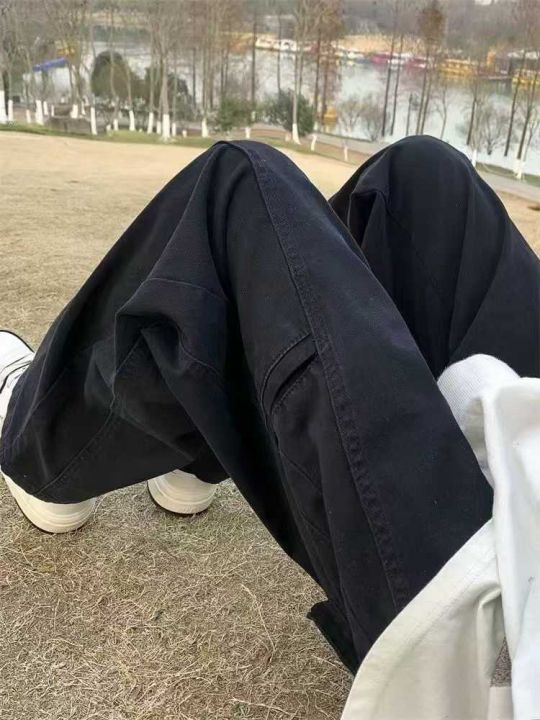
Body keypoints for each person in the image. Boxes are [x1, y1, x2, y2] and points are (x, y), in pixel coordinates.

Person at [0, 137, 538, 674]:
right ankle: (201, 445)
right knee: (424, 180)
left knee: (240, 186)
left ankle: (40, 448)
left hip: (493, 613)